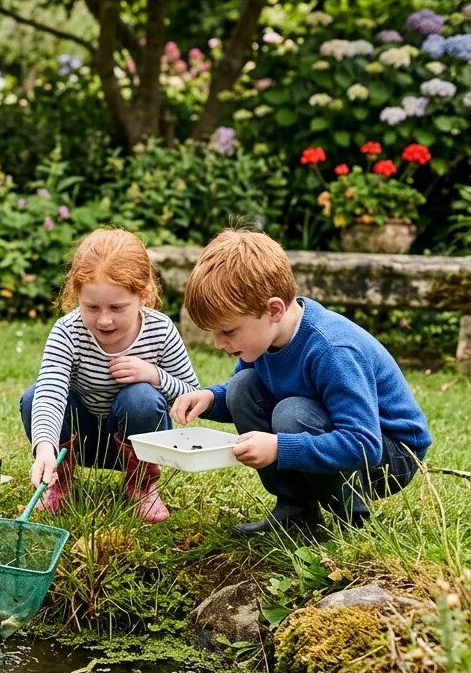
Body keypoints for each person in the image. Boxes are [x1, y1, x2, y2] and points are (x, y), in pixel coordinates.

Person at [171, 229, 432, 534]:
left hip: (389, 456)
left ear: (273, 310)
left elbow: (363, 444)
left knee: (292, 414)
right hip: (337, 434)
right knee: (242, 386)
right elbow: (250, 397)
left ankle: (356, 521)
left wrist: (280, 448)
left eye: (227, 331)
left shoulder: (333, 350)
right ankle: (296, 510)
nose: (218, 344)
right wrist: (210, 399)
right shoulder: (265, 341)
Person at [21, 228, 199, 522]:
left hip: (138, 444)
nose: (104, 320)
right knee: (33, 397)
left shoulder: (160, 331)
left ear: (143, 295)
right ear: (76, 294)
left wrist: (154, 375)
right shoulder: (68, 332)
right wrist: (44, 448)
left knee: (140, 397)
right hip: (83, 442)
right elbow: (50, 393)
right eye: (92, 307)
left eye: (117, 308)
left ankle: (141, 486)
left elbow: (192, 395)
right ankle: (59, 481)